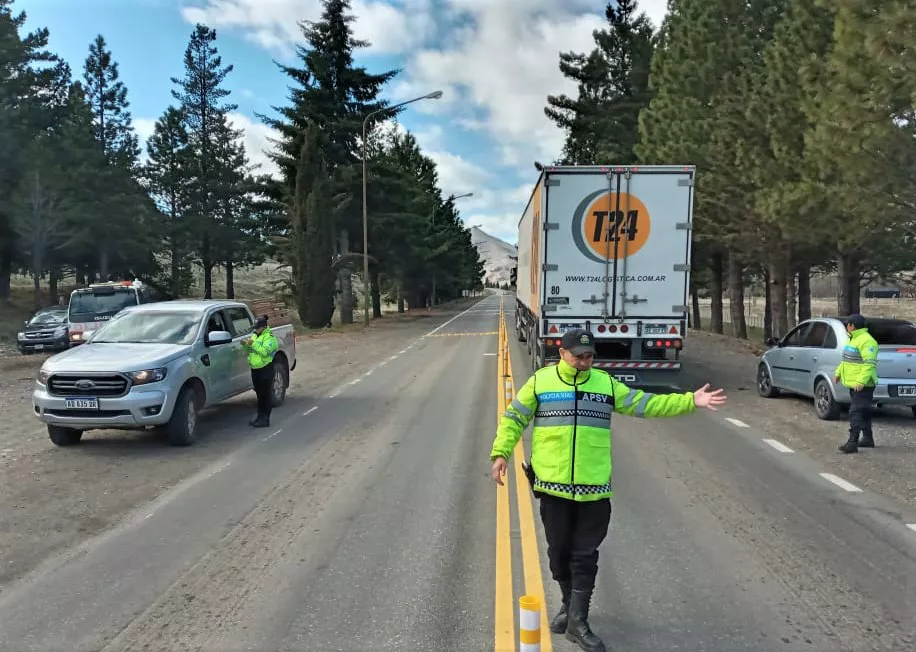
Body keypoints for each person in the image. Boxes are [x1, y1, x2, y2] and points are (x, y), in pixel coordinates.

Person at [489, 329, 727, 652]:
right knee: (558, 552)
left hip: (594, 490)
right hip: (552, 487)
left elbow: (645, 404)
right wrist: (501, 453)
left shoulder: (606, 384)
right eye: (579, 356)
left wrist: (690, 401)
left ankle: (578, 621)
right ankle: (568, 607)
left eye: (589, 356)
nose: (585, 363)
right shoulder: (541, 382)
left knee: (585, 555)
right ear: (562, 353)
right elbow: (514, 417)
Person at [834, 313, 878, 454]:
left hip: (864, 384)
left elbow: (869, 363)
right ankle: (867, 438)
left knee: (855, 411)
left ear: (852, 326)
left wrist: (861, 381)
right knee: (863, 411)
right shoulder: (853, 340)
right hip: (853, 383)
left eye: (848, 324)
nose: (846, 327)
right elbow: (846, 360)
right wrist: (838, 373)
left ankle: (852, 442)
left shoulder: (867, 341)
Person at [242, 314, 279, 428]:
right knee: (259, 395)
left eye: (257, 328)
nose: (255, 330)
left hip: (265, 369)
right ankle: (259, 416)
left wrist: (252, 344)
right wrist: (246, 345)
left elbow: (264, 352)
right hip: (255, 369)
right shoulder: (255, 335)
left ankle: (265, 419)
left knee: (265, 395)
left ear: (263, 327)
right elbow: (249, 351)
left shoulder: (270, 338)